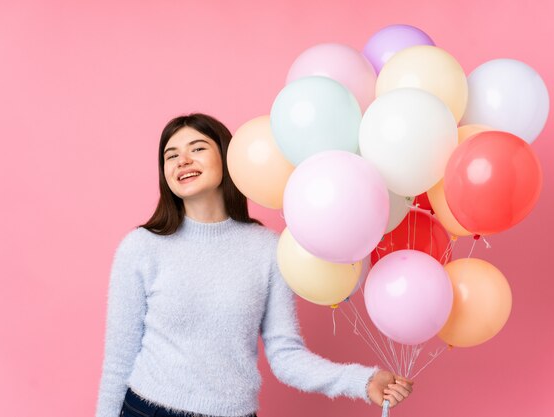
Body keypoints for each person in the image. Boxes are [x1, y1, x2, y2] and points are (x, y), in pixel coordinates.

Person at [96, 113, 413, 417]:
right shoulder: (141, 248)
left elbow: (286, 356)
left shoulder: (267, 249)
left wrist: (363, 381)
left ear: (228, 157)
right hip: (148, 410)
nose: (183, 161)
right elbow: (117, 364)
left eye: (197, 149)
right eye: (171, 155)